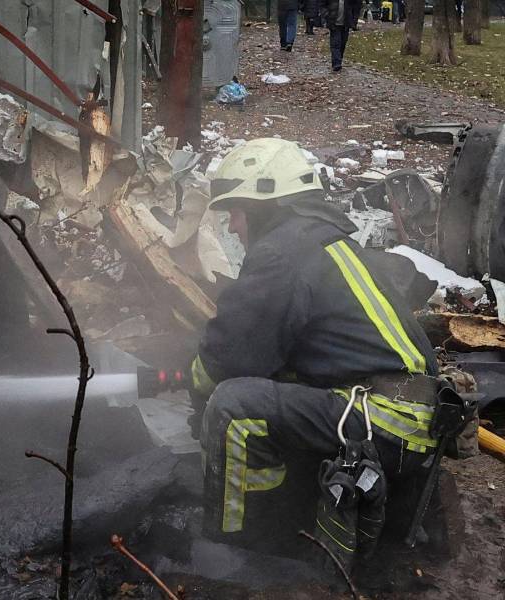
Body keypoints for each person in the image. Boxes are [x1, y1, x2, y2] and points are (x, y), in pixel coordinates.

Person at [189, 138, 443, 567]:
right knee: (265, 391)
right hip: (403, 415)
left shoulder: (283, 252)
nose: (231, 226)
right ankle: (293, 512)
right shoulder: (323, 242)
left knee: (231, 408)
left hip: (386, 419)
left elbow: (228, 358)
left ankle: (237, 549)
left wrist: (195, 396)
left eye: (235, 211)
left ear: (264, 205)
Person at [323, 0, 362, 71]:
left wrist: (354, 21)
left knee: (343, 43)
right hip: (333, 23)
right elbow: (323, 4)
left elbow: (356, 7)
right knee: (335, 43)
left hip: (346, 24)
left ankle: (339, 59)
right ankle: (336, 63)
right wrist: (326, 14)